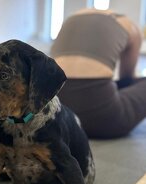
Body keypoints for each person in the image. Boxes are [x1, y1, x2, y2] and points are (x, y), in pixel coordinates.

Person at [50, 9, 146, 139]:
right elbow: (127, 78)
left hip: (57, 110)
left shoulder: (73, 17)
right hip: (103, 120)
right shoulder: (132, 27)